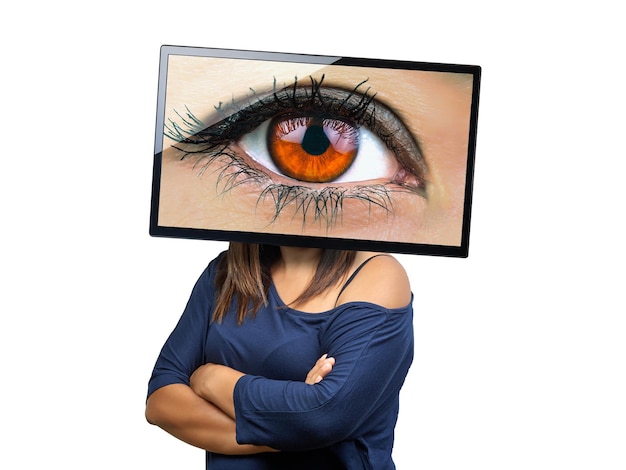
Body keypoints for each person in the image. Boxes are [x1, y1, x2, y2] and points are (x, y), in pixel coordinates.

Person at [146, 242, 414, 469]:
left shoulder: (379, 275)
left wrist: (211, 378)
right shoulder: (225, 272)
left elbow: (323, 416)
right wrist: (290, 427)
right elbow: (161, 403)